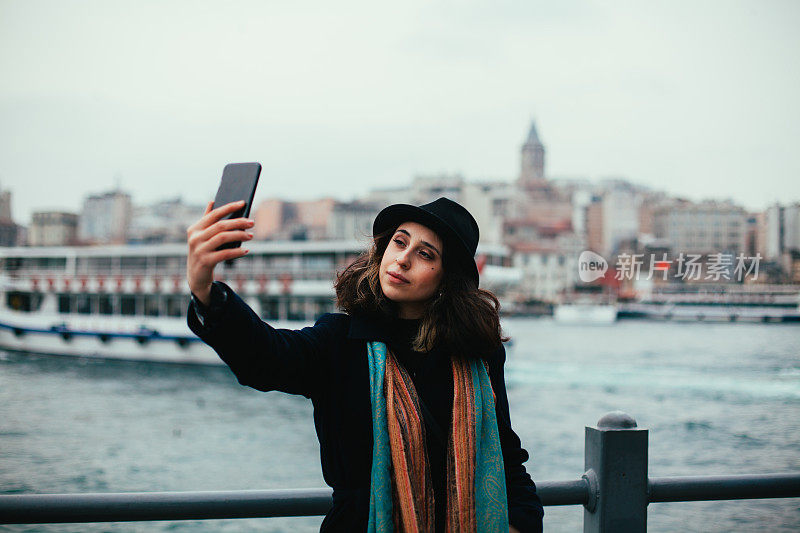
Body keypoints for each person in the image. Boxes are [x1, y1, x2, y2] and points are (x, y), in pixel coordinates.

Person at [186, 197, 544, 532]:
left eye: (425, 254)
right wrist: (205, 290)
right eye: (400, 243)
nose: (402, 259)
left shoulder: (477, 355)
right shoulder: (341, 342)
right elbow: (265, 359)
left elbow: (507, 456)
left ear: (446, 280)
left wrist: (520, 524)